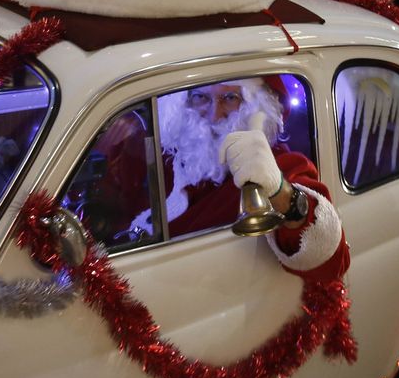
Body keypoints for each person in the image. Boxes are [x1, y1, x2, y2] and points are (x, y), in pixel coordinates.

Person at [94, 77, 349, 282]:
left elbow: (331, 261)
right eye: (200, 97)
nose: (214, 115)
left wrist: (280, 191)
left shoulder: (280, 165)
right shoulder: (160, 152)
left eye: (230, 98)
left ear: (255, 109)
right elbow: (109, 206)